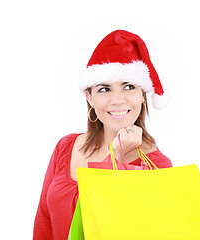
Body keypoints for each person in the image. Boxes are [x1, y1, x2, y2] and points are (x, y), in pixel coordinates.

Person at [33, 30, 172, 240]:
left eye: (128, 87)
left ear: (143, 96)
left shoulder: (157, 167)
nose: (117, 100)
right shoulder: (66, 147)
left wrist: (115, 157)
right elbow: (44, 221)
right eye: (104, 89)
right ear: (89, 97)